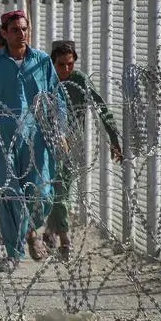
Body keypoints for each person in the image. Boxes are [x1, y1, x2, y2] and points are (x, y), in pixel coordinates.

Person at [0, 10, 65, 273]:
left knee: (43, 193)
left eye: (24, 29)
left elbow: (56, 98)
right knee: (10, 196)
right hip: (3, 138)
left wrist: (59, 131)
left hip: (37, 138)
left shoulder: (41, 62)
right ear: (4, 33)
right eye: (15, 29)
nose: (21, 34)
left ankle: (29, 231)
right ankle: (13, 253)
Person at [45, 41, 122, 258]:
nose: (66, 69)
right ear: (53, 63)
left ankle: (59, 236)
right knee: (52, 192)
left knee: (62, 190)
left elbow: (101, 107)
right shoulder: (46, 81)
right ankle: (59, 236)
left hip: (72, 145)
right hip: (45, 145)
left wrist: (114, 138)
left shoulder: (79, 81)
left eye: (70, 64)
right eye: (61, 65)